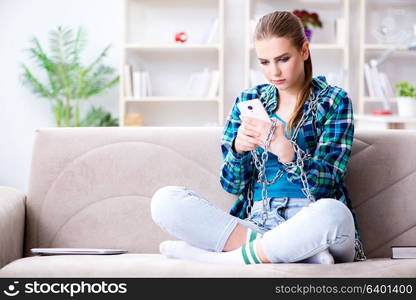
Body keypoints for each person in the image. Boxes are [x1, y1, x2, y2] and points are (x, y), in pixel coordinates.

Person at [151, 10, 366, 265]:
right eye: (264, 62)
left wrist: (287, 152)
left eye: (283, 59)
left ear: (304, 51)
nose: (274, 71)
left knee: (334, 213)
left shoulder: (333, 100)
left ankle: (229, 259)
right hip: (258, 221)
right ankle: (295, 253)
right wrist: (239, 150)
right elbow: (232, 185)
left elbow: (329, 181)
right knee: (166, 201)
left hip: (311, 218)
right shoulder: (248, 100)